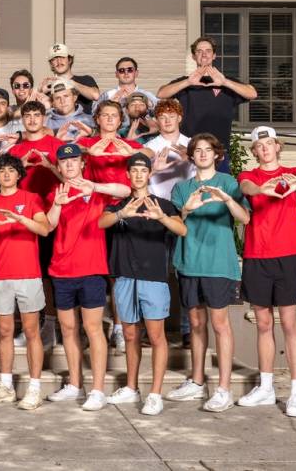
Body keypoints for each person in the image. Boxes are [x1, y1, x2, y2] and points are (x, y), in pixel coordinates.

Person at [166, 133, 249, 412]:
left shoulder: (228, 183)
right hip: (190, 262)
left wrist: (226, 199)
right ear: (191, 156)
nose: (202, 154)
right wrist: (187, 211)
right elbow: (175, 224)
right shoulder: (182, 188)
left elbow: (245, 218)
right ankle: (197, 380)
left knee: (220, 324)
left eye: (207, 150)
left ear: (217, 155)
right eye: (197, 150)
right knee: (196, 324)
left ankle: (223, 388)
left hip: (218, 263)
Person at [99, 153, 186, 416]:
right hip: (125, 275)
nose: (138, 174)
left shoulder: (164, 205)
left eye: (142, 170)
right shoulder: (118, 205)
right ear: (128, 175)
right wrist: (122, 213)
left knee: (156, 335)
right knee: (129, 334)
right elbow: (101, 222)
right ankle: (131, 387)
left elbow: (182, 230)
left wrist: (161, 218)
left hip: (154, 277)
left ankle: (155, 394)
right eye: (133, 170)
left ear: (150, 174)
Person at [45, 144, 129, 412]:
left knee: (93, 329)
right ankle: (74, 384)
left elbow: (125, 191)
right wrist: (57, 205)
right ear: (58, 167)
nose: (69, 165)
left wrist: (95, 187)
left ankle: (97, 390)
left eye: (74, 161)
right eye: (64, 162)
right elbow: (48, 226)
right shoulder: (55, 192)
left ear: (82, 163)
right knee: (68, 329)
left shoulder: (96, 190)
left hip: (91, 268)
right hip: (61, 269)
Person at [237, 126, 296, 417]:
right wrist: (263, 189)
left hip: (287, 256)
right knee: (264, 323)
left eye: (270, 143)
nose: (265, 148)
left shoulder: (292, 171)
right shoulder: (250, 177)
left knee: (290, 324)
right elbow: (246, 188)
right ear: (254, 151)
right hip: (257, 255)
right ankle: (266, 388)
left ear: (278, 146)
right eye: (260, 145)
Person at [0, 154, 51, 410]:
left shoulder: (31, 199)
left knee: (31, 332)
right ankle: (6, 385)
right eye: (2, 171)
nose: (6, 175)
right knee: (5, 332)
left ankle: (34, 388)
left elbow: (44, 229)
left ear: (19, 174)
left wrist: (19, 218)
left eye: (11, 170)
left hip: (28, 274)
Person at [7, 100, 64, 348]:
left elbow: (71, 178)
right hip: (24, 218)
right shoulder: (15, 151)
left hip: (52, 216)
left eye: (36, 115)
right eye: (27, 115)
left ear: (44, 118)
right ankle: (30, 327)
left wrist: (48, 165)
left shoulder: (56, 146)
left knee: (50, 274)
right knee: (27, 275)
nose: (31, 119)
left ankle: (51, 325)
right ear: (22, 119)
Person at [157, 36, 257, 172]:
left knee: (217, 191)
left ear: (214, 55)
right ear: (193, 56)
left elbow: (252, 93)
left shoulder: (225, 82)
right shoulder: (186, 82)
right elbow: (161, 93)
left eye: (208, 51)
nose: (204, 54)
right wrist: (188, 82)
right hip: (190, 150)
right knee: (191, 190)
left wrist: (225, 82)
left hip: (218, 151)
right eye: (199, 51)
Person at [144, 98, 196, 348]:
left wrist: (192, 157)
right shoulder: (151, 146)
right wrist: (154, 164)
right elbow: (138, 171)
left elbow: (208, 172)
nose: (166, 120)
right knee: (156, 274)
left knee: (185, 273)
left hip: (185, 212)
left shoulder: (192, 145)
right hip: (157, 211)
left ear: (179, 118)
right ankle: (154, 328)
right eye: (162, 116)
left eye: (171, 115)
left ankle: (187, 329)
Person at [39, 43, 99, 115]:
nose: (59, 61)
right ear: (51, 64)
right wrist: (40, 93)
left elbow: (96, 95)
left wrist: (70, 82)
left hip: (84, 124)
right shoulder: (49, 88)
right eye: (54, 59)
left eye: (62, 57)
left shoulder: (85, 79)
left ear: (69, 60)